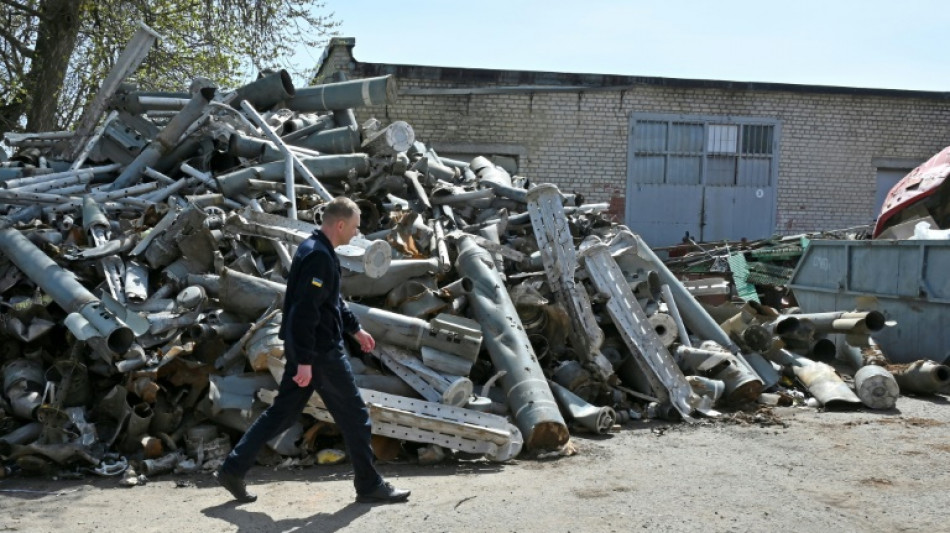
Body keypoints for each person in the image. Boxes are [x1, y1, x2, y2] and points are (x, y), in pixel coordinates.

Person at [215, 197, 410, 505]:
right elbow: (304, 313)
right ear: (341, 224)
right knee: (357, 417)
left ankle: (232, 469)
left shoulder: (315, 249)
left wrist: (355, 328)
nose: (358, 234)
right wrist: (305, 360)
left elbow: (331, 302)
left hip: (310, 352)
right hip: (320, 354)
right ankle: (369, 485)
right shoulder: (318, 256)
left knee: (281, 413)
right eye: (356, 228)